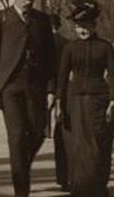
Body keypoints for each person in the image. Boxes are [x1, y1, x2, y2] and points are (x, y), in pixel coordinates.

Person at [0, 0, 56, 197]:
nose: (28, 0)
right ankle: (21, 190)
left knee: (38, 133)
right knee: (16, 136)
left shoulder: (42, 20)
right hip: (10, 87)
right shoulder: (0, 19)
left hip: (35, 87)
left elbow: (50, 58)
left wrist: (51, 89)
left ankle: (21, 167)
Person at [57, 0, 114, 197]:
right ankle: (79, 188)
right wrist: (59, 102)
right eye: (78, 26)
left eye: (85, 25)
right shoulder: (69, 48)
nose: (81, 30)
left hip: (99, 101)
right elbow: (62, 76)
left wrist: (112, 100)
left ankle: (98, 187)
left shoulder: (105, 47)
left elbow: (113, 75)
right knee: (77, 146)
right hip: (73, 101)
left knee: (98, 144)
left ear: (93, 25)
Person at [50, 14, 70, 191]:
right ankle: (64, 177)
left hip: (43, 87)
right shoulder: (66, 43)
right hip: (63, 87)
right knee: (61, 131)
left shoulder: (41, 42)